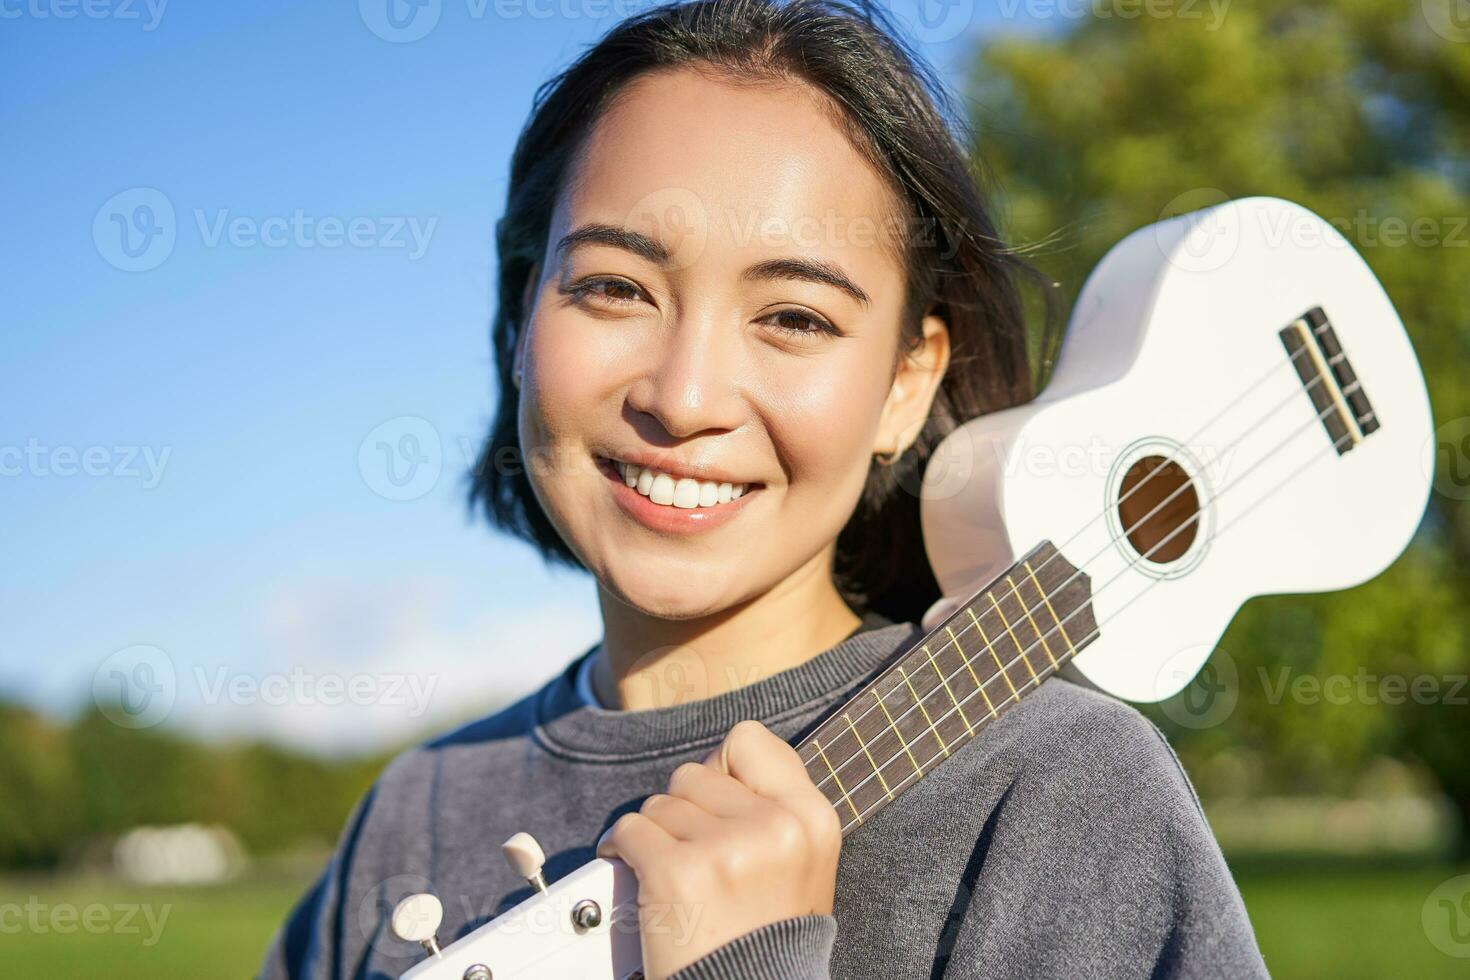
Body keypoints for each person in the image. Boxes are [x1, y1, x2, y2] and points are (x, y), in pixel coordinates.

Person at [259, 1, 1269, 976]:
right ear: (523, 316)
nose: (684, 396)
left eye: (794, 316)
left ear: (905, 384)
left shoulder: (1064, 788)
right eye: (615, 287)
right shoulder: (418, 808)